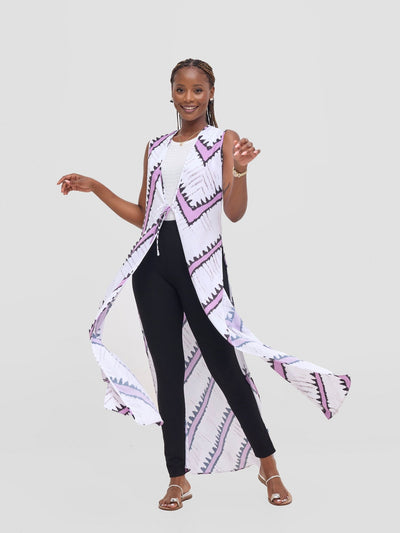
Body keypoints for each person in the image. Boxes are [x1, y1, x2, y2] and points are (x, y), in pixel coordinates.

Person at [57, 58, 350, 511]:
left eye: (197, 90)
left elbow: (234, 212)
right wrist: (96, 187)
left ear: (211, 92)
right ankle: (177, 478)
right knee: (168, 374)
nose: (189, 98)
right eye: (181, 89)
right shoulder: (156, 147)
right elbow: (144, 216)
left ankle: (268, 465)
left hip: (202, 267)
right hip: (152, 268)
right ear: (171, 94)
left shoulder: (222, 141)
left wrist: (241, 171)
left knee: (224, 364)